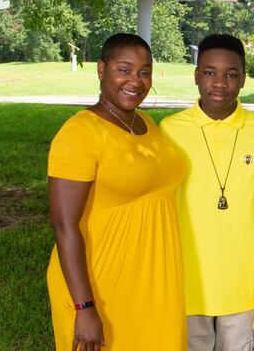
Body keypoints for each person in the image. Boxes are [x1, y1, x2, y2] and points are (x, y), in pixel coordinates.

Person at [47, 33, 186, 351]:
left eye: (144, 71)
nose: (135, 81)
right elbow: (64, 227)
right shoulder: (80, 134)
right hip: (101, 286)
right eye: (124, 69)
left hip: (154, 284)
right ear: (101, 69)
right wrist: (85, 308)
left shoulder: (148, 125)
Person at [160, 34, 254, 351]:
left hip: (243, 280)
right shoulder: (169, 130)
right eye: (210, 72)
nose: (219, 83)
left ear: (243, 79)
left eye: (231, 74)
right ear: (196, 75)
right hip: (187, 278)